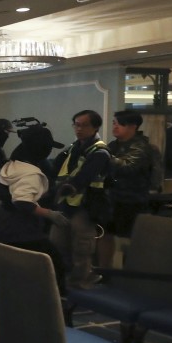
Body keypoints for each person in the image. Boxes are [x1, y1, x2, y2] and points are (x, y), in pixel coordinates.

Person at [0, 125, 69, 293]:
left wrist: (56, 192)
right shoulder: (31, 173)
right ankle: (58, 301)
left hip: (0, 230)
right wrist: (50, 214)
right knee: (55, 265)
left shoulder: (12, 165)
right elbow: (22, 202)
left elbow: (17, 194)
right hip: (22, 234)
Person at [50, 109, 111, 288]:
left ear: (95, 127)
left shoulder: (100, 151)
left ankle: (80, 282)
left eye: (84, 125)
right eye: (76, 125)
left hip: (85, 205)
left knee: (82, 247)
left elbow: (84, 176)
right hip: (64, 204)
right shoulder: (73, 148)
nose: (79, 129)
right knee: (57, 243)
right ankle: (61, 280)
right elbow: (57, 168)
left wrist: (68, 188)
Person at [99, 110, 155, 269]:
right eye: (114, 123)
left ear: (132, 126)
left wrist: (104, 156)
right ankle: (105, 270)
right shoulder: (113, 145)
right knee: (105, 234)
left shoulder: (141, 147)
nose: (115, 127)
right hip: (112, 199)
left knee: (131, 240)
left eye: (120, 124)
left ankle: (131, 273)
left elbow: (128, 167)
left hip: (131, 200)